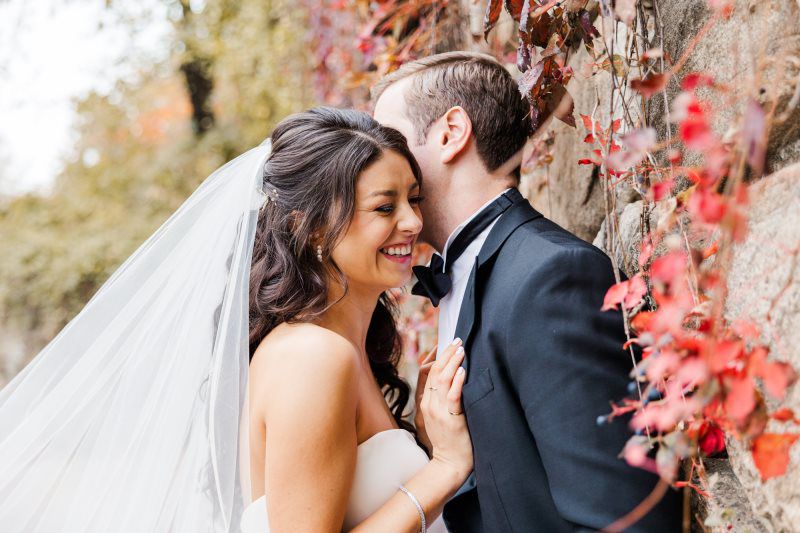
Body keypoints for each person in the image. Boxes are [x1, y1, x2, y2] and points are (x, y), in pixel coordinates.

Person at [0, 107, 471, 533]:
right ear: (309, 228)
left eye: (414, 198)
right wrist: (443, 470)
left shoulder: (339, 348)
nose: (412, 221)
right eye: (385, 207)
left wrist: (426, 440)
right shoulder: (312, 356)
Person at [372, 51, 683, 532]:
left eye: (390, 141)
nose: (375, 161)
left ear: (451, 133)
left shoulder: (550, 277)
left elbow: (624, 520)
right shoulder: (473, 275)